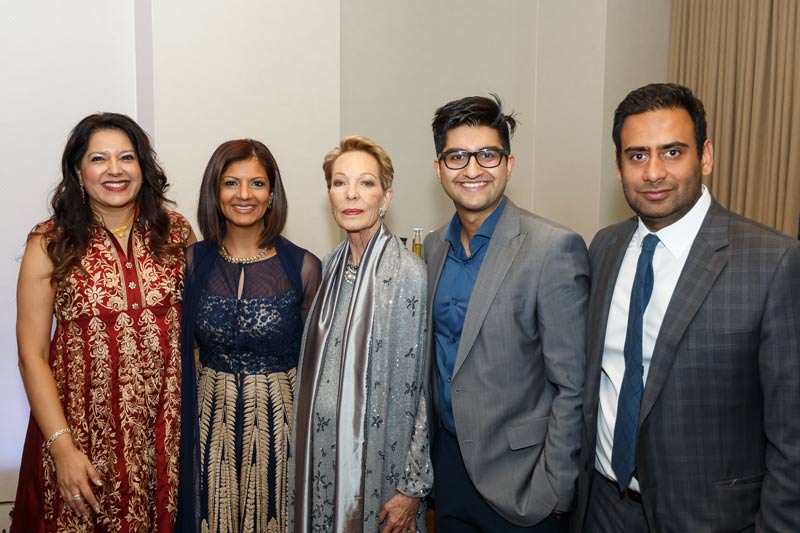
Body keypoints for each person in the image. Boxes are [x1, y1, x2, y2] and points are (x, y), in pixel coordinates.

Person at [571, 83, 800, 532]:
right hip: (601, 507)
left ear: (706, 156)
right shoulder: (604, 247)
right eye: (637, 156)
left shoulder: (773, 262)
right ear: (618, 168)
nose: (653, 172)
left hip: (708, 518)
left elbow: (793, 438)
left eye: (672, 152)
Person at [12, 113, 194, 532]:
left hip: (165, 443)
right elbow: (31, 355)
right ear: (78, 171)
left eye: (126, 157)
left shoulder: (177, 233)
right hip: (81, 441)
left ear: (142, 168)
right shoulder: (50, 242)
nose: (115, 169)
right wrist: (62, 450)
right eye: (99, 158)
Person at [424, 94, 589, 532]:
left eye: (487, 155)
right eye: (457, 156)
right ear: (439, 169)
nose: (473, 169)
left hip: (524, 485)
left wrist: (555, 491)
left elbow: (572, 385)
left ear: (509, 164)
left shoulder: (553, 248)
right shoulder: (434, 248)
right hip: (450, 473)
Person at [176, 139, 321, 532]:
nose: (244, 195)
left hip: (280, 428)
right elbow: (182, 350)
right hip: (208, 427)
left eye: (256, 184)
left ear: (272, 194)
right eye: (231, 183)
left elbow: (318, 363)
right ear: (215, 192)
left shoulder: (303, 267)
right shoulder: (193, 263)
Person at [291, 135, 432, 532]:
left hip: (379, 470)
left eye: (366, 183)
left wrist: (411, 487)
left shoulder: (406, 273)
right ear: (330, 196)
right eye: (340, 182)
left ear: (386, 197)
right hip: (321, 463)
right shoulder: (328, 266)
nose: (351, 193)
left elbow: (421, 389)